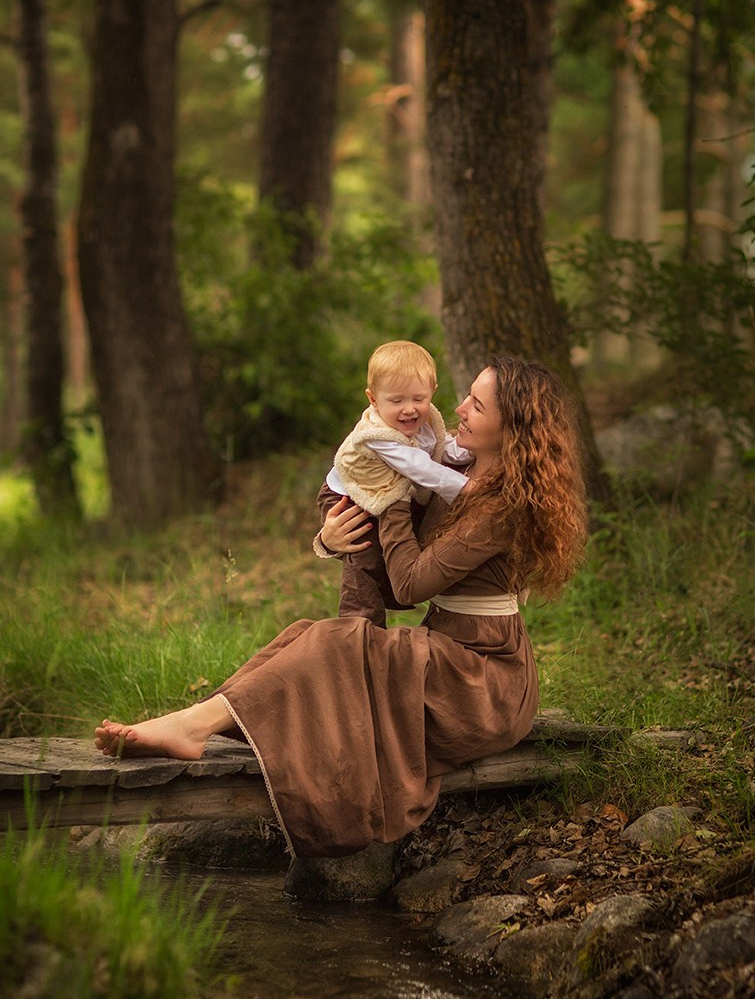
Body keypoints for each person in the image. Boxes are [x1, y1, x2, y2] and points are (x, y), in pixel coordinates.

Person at [95, 356, 589, 860]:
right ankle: (203, 723)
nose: (459, 407)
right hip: (448, 655)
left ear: (512, 428)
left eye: (477, 405)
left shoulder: (501, 506)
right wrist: (335, 539)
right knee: (306, 633)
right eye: (467, 395)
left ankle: (191, 726)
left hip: (483, 680)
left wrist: (387, 495)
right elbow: (402, 582)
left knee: (334, 640)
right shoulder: (460, 472)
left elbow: (412, 582)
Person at [314, 339, 471, 627]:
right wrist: (465, 488)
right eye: (396, 401)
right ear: (373, 399)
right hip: (347, 496)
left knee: (411, 534)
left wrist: (471, 450)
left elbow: (442, 448)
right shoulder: (378, 434)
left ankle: (399, 594)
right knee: (363, 554)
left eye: (418, 399)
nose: (409, 409)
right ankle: (359, 625)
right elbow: (420, 466)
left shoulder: (422, 424)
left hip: (389, 492)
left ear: (432, 391)